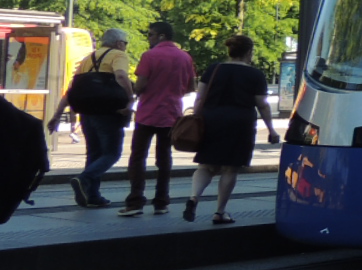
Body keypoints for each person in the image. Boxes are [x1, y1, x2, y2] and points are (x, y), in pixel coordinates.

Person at [185, 34, 279, 224]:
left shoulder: (214, 69)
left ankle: (194, 196)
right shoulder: (255, 74)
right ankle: (219, 212)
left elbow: (199, 98)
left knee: (205, 165)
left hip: (211, 119)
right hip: (240, 123)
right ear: (249, 52)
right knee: (230, 169)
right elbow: (262, 104)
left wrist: (196, 119)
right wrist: (271, 129)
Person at [46, 29, 132, 208]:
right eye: (125, 43)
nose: (125, 47)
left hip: (86, 114)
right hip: (109, 113)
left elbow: (72, 90)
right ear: (118, 43)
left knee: (94, 154)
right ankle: (84, 179)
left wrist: (56, 115)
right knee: (112, 153)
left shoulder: (87, 59)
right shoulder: (118, 55)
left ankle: (92, 195)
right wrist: (131, 99)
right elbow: (122, 76)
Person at [118, 21, 196, 216]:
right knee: (164, 158)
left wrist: (136, 89)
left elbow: (140, 85)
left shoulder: (149, 56)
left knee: (138, 157)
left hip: (148, 114)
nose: (149, 38)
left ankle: (135, 201)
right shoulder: (185, 57)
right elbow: (190, 88)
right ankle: (162, 202)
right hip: (172, 115)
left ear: (161, 36)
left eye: (151, 34)